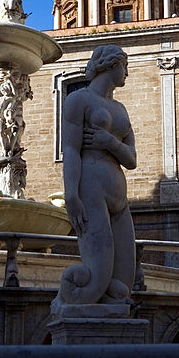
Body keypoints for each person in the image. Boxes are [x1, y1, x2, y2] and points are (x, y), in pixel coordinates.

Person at [57, 45, 137, 306]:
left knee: (124, 281)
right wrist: (71, 194)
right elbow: (70, 149)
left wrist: (109, 142)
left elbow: (132, 160)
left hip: (118, 193)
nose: (126, 73)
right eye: (124, 66)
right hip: (90, 187)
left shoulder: (121, 109)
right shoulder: (78, 100)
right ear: (111, 65)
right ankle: (72, 306)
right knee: (96, 277)